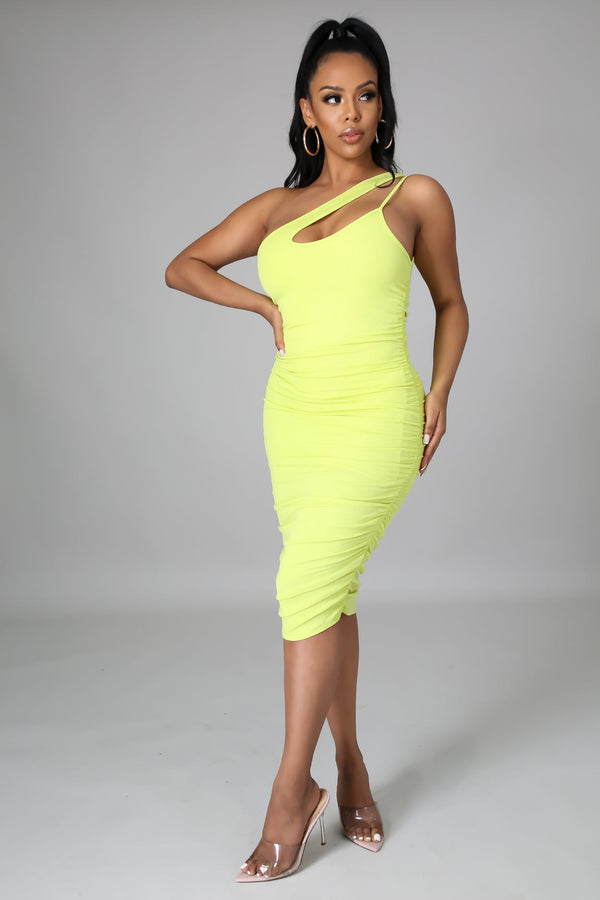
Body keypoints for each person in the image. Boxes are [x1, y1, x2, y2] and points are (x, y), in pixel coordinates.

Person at [165, 16, 469, 883]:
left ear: (383, 105)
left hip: (378, 416)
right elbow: (184, 266)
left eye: (366, 96)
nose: (351, 113)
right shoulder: (275, 209)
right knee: (328, 593)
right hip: (295, 420)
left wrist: (440, 390)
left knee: (305, 584)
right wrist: (263, 305)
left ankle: (289, 794)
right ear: (307, 110)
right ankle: (352, 767)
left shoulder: (414, 197)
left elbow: (452, 304)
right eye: (333, 98)